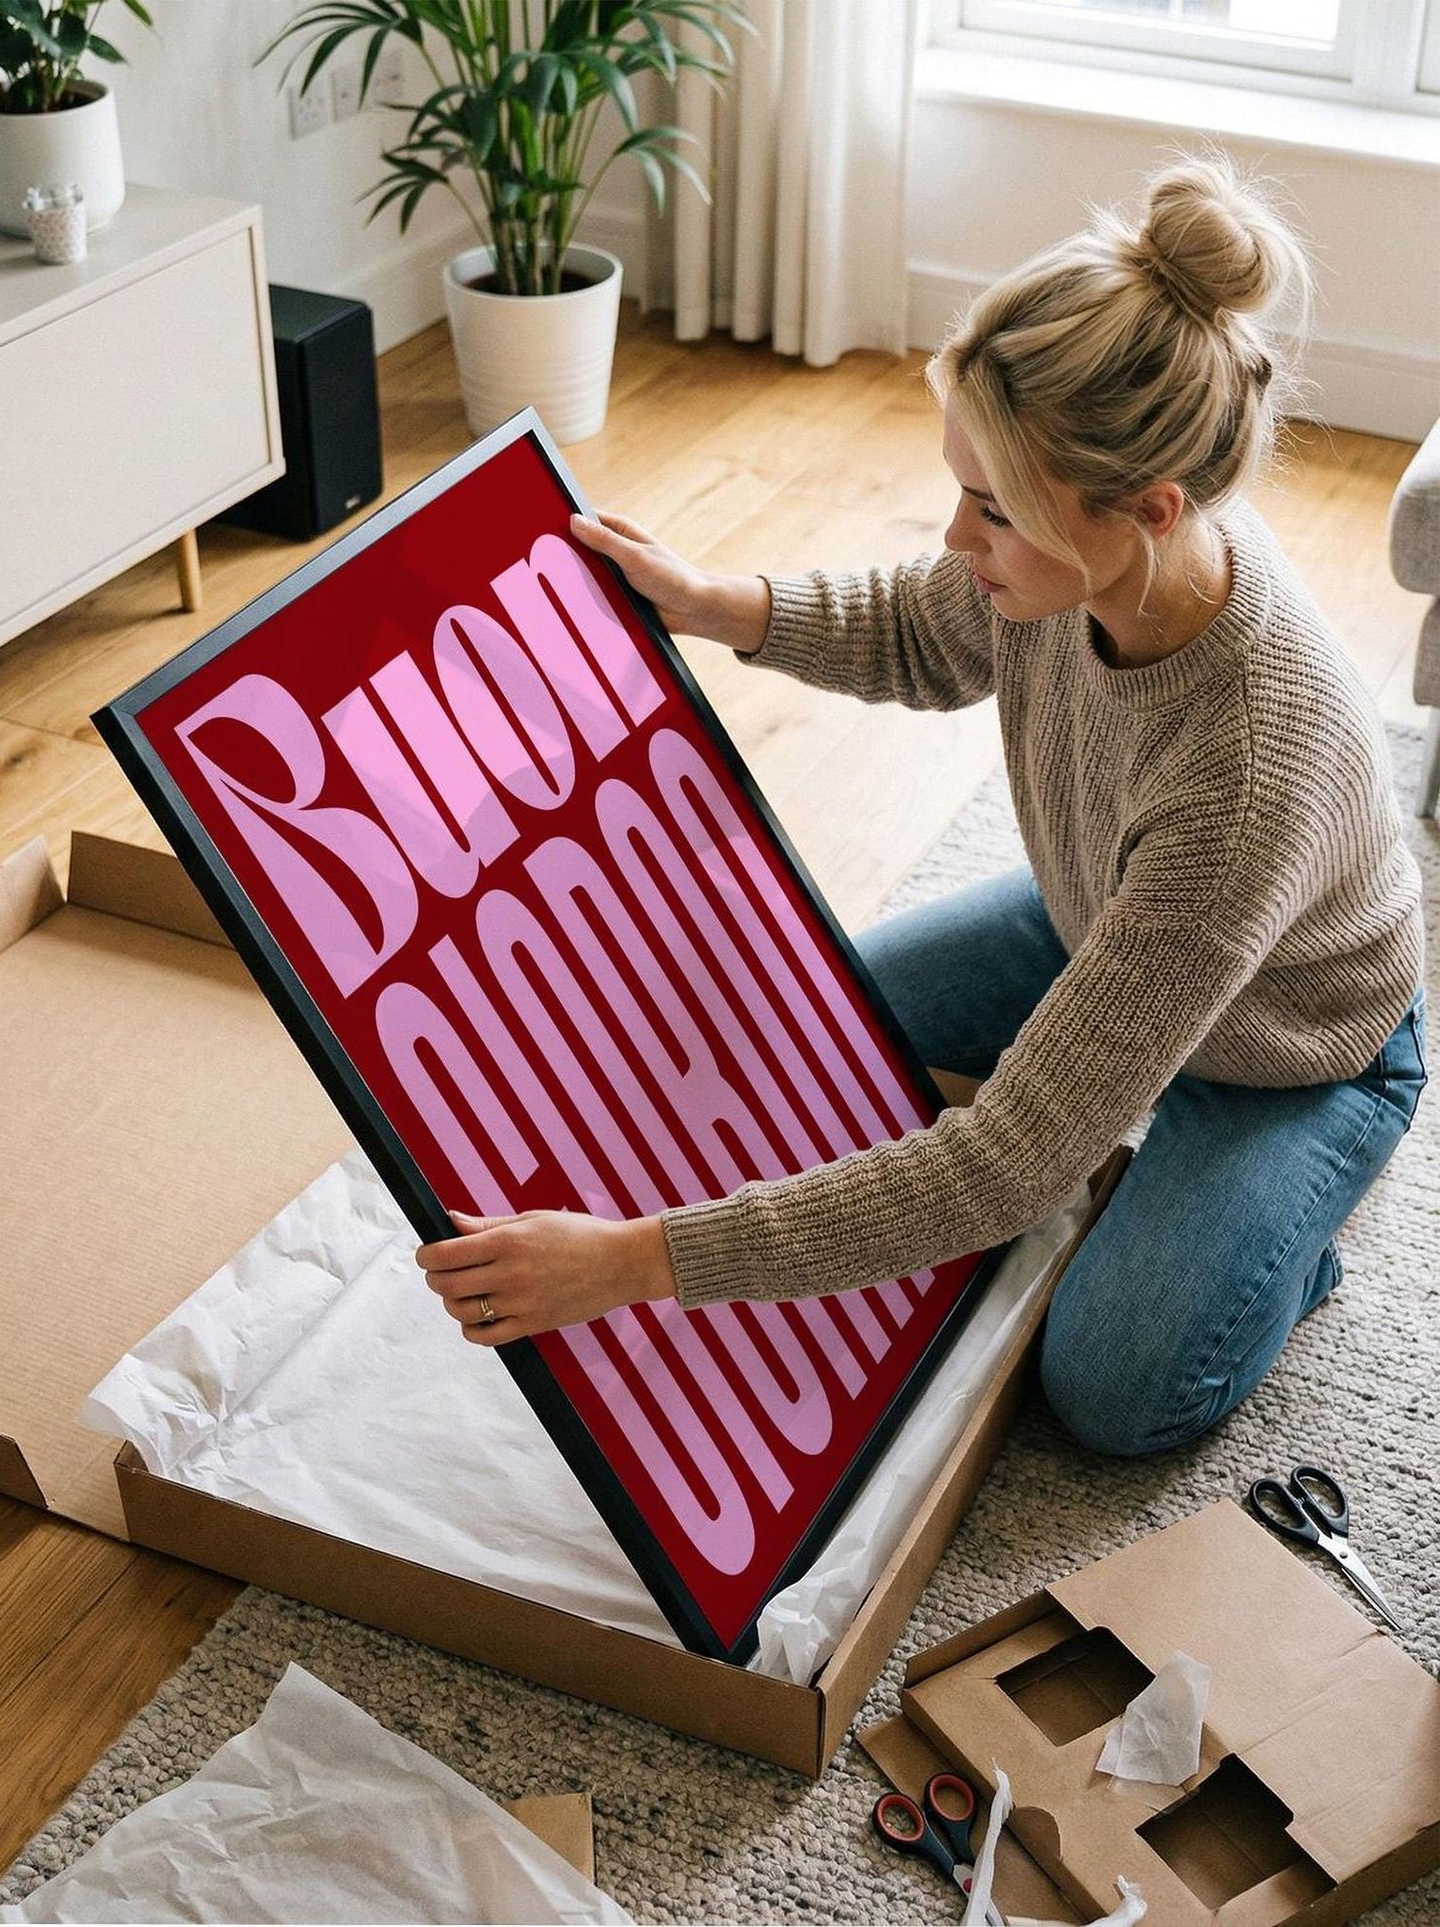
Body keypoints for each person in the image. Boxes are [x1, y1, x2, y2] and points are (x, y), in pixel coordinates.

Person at [418, 155, 1426, 1456]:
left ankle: (1277, 1245)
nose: (957, 536)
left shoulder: (1244, 774)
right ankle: (1140, 1115)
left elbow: (1008, 1165)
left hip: (1291, 1046)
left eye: (992, 510)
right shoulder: (1086, 562)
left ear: (1148, 510)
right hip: (1095, 916)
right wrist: (717, 603)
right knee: (806, 1037)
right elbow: (918, 625)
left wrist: (632, 1261)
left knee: (1116, 1385)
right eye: (962, 487)